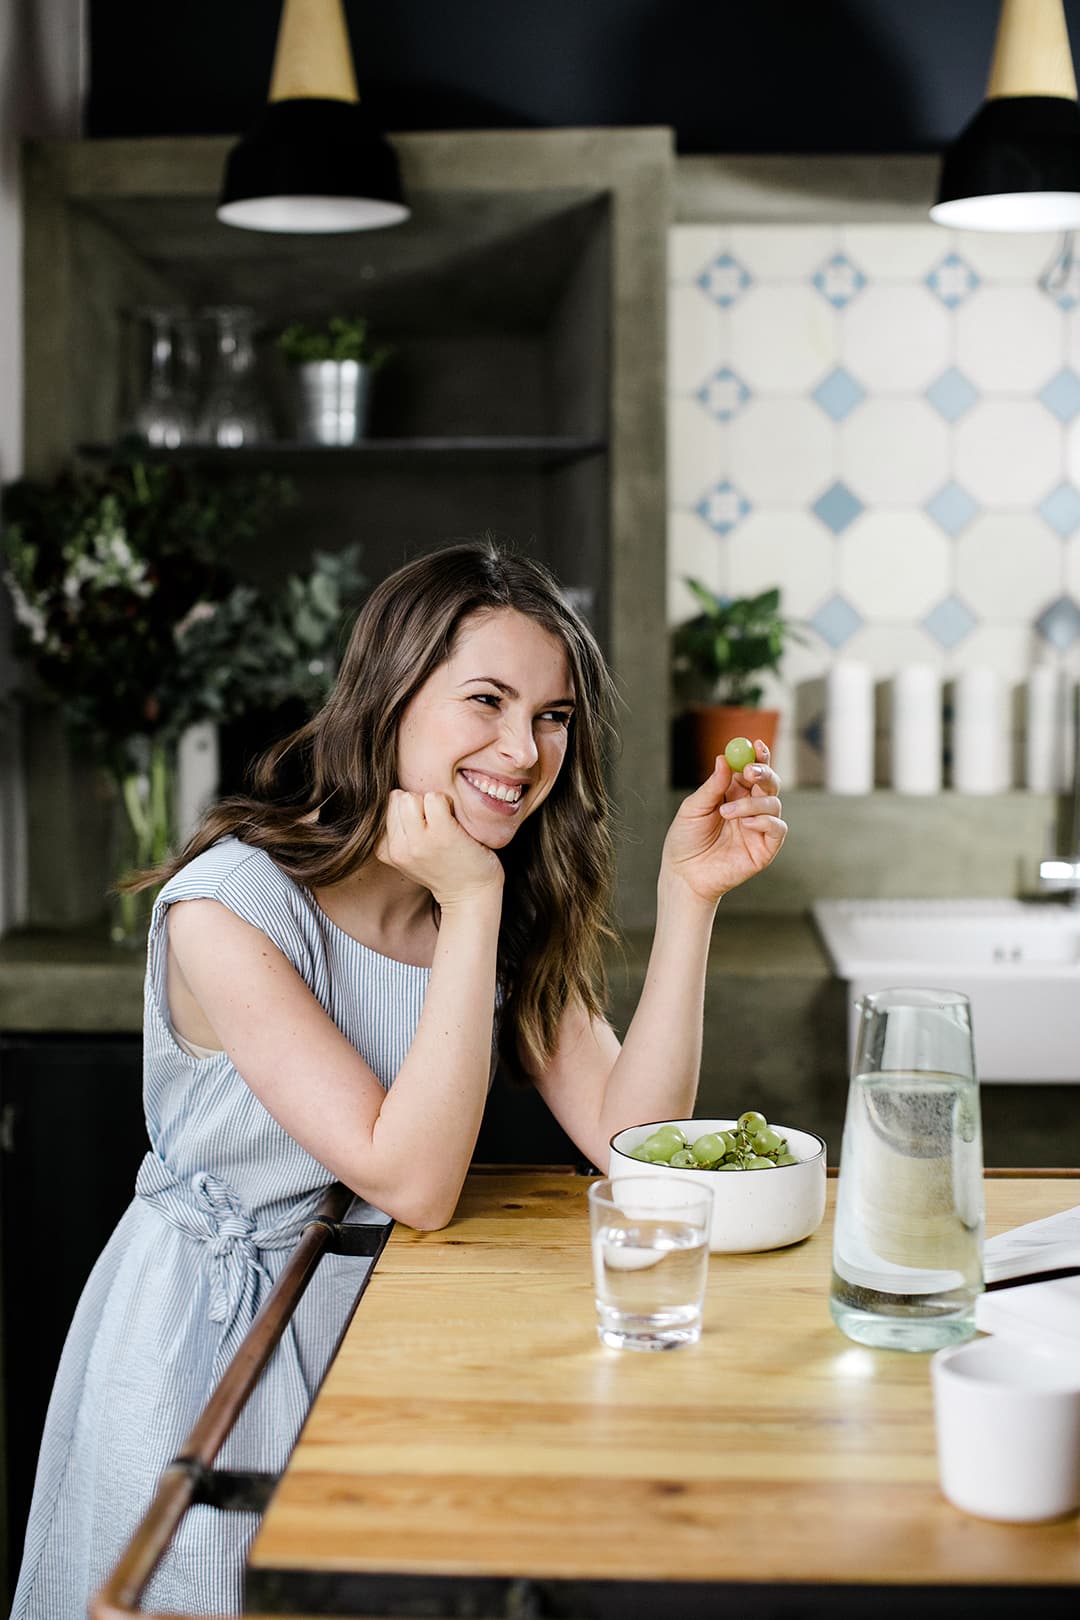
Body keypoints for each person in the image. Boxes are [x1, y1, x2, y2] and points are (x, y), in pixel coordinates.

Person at [12, 539, 787, 1619]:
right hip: (211, 1351)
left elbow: (636, 1146)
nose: (523, 748)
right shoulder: (229, 908)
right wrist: (468, 902)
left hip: (393, 1341)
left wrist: (688, 899)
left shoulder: (492, 895)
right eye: (487, 700)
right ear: (390, 697)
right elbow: (413, 1182)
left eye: (553, 716)